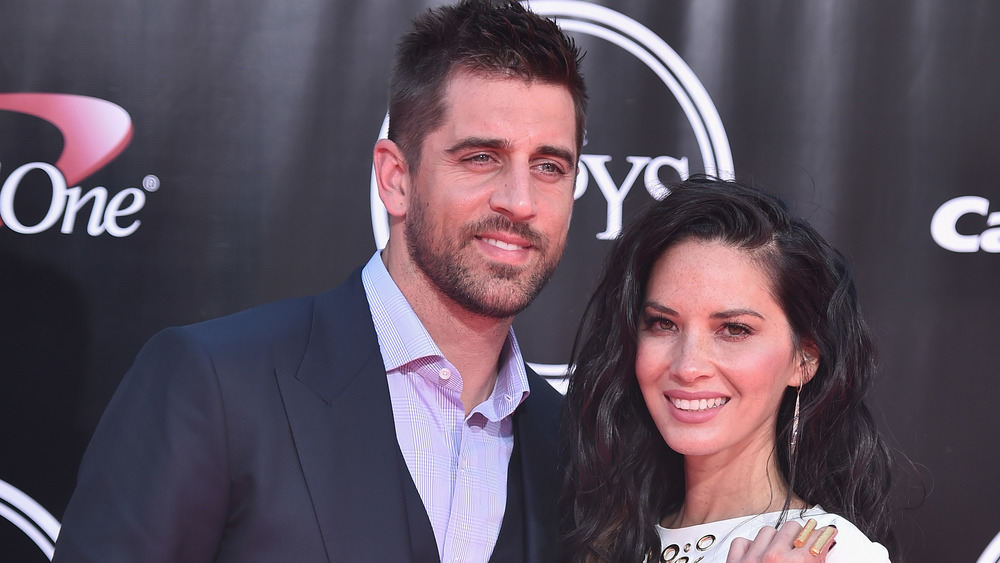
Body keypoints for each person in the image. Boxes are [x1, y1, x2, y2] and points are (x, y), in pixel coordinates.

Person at [52, 1, 586, 561]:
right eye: (481, 157)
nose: (520, 201)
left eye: (549, 166)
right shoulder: (215, 385)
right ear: (395, 178)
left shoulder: (572, 450)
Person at [561, 176, 896, 562]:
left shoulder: (832, 553)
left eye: (734, 330)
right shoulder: (601, 538)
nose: (688, 366)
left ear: (805, 359)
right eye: (663, 324)